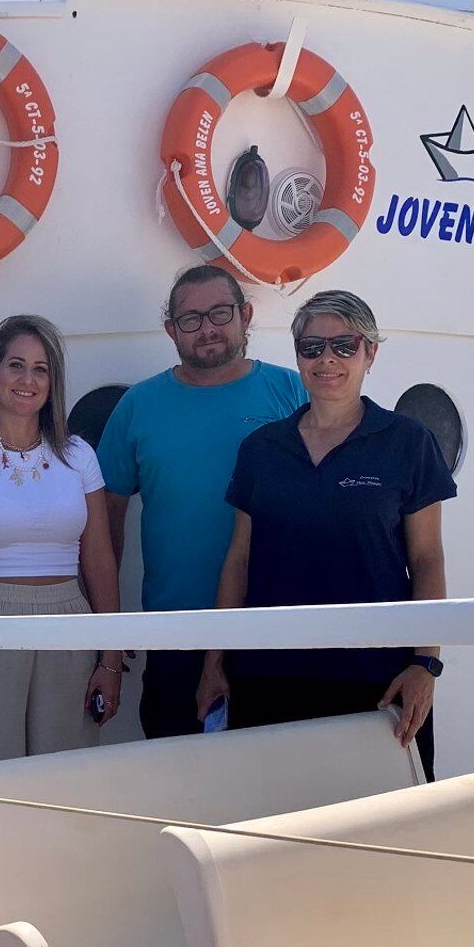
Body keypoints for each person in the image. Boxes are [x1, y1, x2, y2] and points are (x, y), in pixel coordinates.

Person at [198, 290, 455, 774]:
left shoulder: (407, 442)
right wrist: (215, 661)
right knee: (275, 828)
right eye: (312, 347)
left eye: (344, 345)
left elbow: (427, 560)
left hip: (377, 681)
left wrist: (425, 664)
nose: (327, 359)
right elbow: (238, 561)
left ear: (370, 352)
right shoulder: (261, 449)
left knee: (382, 833)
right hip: (267, 675)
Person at [97, 266, 308, 737]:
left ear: (246, 315)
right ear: (172, 330)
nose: (207, 328)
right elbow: (105, 522)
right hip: (175, 636)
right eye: (190, 319)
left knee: (272, 798)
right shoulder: (138, 405)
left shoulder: (293, 393)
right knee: (175, 792)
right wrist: (107, 626)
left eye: (219, 312)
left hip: (273, 634)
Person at [0, 315, 121, 763]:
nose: (27, 379)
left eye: (41, 368)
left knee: (63, 777)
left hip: (70, 622)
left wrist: (110, 659)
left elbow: (100, 561)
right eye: (15, 365)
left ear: (53, 382)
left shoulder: (80, 456)